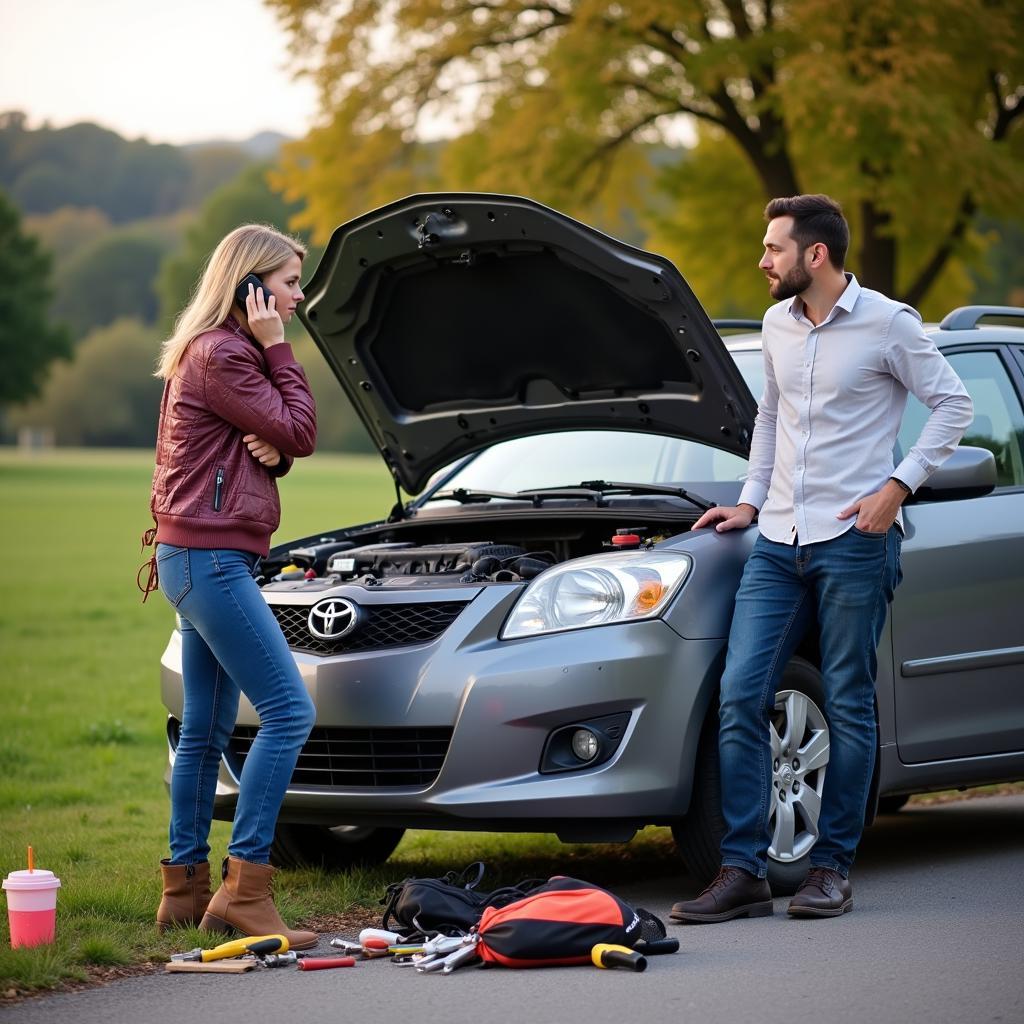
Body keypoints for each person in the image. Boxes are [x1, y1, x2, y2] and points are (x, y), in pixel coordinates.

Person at [671, 195, 972, 922]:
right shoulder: (777, 325)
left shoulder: (889, 324)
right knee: (741, 695)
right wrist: (748, 501)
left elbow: (954, 405)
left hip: (854, 542)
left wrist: (896, 488)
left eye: (774, 248)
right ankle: (741, 871)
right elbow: (769, 418)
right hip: (777, 541)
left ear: (817, 255)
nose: (762, 260)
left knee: (848, 702)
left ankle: (831, 868)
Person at [143, 224, 318, 947]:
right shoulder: (229, 354)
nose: (299, 298)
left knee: (207, 730)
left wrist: (271, 453)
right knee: (288, 711)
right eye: (288, 284)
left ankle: (184, 893)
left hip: (199, 555)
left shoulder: (217, 354)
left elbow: (273, 442)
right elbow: (303, 430)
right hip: (210, 558)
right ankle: (246, 889)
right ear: (251, 289)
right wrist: (278, 350)